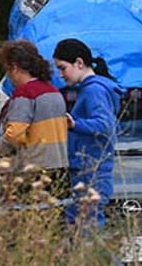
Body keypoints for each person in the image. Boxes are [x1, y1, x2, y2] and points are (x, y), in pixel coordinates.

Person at [52, 38, 123, 231]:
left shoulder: (93, 90)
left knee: (88, 235)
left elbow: (104, 125)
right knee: (79, 230)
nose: (60, 75)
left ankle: (107, 263)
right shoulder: (90, 89)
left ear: (79, 63)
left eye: (62, 68)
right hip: (88, 170)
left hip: (91, 171)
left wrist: (75, 124)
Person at [0, 39, 70, 203]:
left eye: (7, 69)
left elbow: (14, 135)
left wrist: (2, 149)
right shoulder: (54, 91)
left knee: (29, 220)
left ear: (14, 67)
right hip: (60, 167)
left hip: (34, 170)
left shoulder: (25, 94)